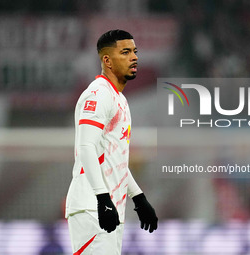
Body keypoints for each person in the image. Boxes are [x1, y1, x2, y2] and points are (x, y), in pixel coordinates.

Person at [65, 29, 158, 255]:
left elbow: (116, 161)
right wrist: (102, 197)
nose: (134, 57)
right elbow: (86, 147)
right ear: (107, 60)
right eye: (125, 52)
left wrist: (138, 197)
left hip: (109, 206)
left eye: (135, 51)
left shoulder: (120, 100)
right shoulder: (98, 94)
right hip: (92, 206)